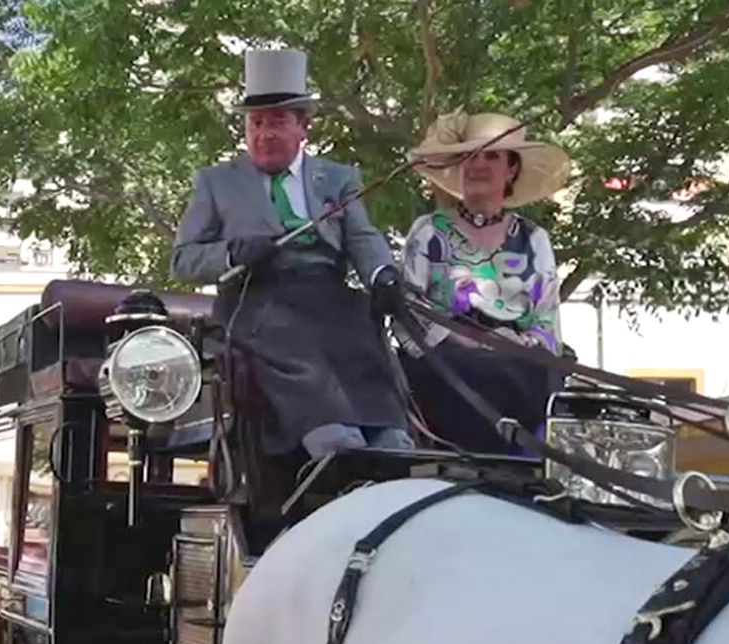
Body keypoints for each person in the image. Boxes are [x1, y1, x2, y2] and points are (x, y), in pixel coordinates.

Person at [171, 47, 412, 459]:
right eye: (256, 123)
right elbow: (182, 260)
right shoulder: (216, 182)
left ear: (303, 127)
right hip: (257, 302)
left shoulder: (337, 178)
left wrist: (383, 275)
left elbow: (362, 239)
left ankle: (390, 438)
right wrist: (233, 253)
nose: (264, 133)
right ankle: (333, 441)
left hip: (330, 297)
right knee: (294, 341)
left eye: (277, 122)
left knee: (362, 325)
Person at [399, 110, 572, 452]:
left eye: (491, 156)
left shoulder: (534, 239)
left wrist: (519, 343)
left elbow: (546, 319)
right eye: (470, 156)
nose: (478, 165)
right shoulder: (429, 231)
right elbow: (409, 310)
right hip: (445, 363)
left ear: (511, 169)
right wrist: (469, 341)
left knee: (538, 375)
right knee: (473, 373)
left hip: (520, 364)